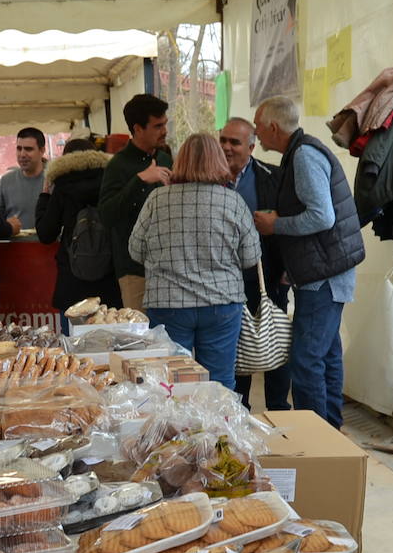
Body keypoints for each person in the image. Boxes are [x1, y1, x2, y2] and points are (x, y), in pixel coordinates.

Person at [253, 95, 365, 429]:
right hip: (324, 270)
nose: (257, 133)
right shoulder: (300, 152)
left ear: (274, 127)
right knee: (326, 354)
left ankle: (315, 437)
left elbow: (322, 216)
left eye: (258, 127)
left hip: (325, 276)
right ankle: (331, 432)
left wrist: (276, 225)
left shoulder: (303, 156)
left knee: (305, 360)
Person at [128, 132, 258, 389]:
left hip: (168, 302)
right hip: (222, 303)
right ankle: (220, 417)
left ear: (181, 161)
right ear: (218, 160)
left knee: (171, 383)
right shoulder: (233, 201)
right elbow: (251, 256)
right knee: (220, 382)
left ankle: (177, 418)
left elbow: (135, 250)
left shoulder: (157, 199)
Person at [221, 117, 290, 410]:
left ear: (251, 147)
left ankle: (279, 410)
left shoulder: (273, 176)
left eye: (234, 142)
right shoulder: (207, 177)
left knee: (274, 342)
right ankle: (241, 411)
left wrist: (287, 269)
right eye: (222, 140)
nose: (226, 147)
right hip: (224, 282)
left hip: (268, 276)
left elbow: (287, 222)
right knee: (236, 349)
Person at [99, 93, 173, 310]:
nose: (164, 131)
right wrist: (140, 180)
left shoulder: (165, 159)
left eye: (165, 124)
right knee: (141, 330)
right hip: (135, 270)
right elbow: (106, 215)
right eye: (158, 126)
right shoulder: (117, 165)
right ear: (138, 129)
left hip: (169, 268)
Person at [35, 137, 121, 316]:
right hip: (108, 280)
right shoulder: (111, 181)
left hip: (72, 282)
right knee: (109, 331)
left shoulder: (62, 186)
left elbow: (46, 233)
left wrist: (45, 195)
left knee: (73, 332)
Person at [0, 126, 47, 233]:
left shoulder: (54, 180)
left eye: (28, 149)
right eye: (19, 149)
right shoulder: (5, 182)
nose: (22, 154)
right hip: (16, 243)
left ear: (42, 150)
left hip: (50, 243)